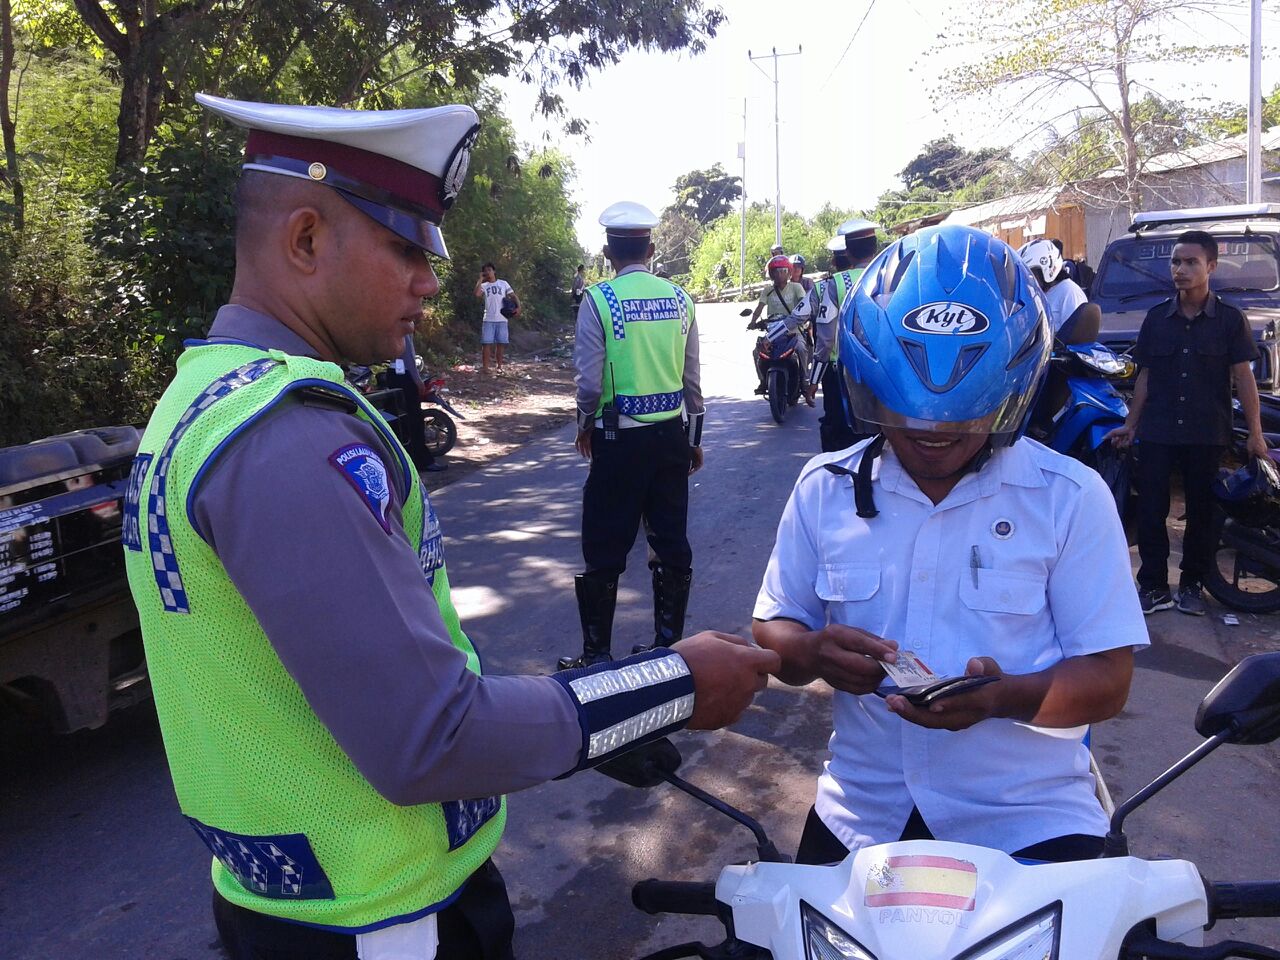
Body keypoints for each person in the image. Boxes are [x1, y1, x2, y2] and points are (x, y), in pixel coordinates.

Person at [122, 94, 779, 960]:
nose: (431, 281)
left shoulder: (201, 402)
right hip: (384, 923)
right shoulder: (288, 435)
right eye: (404, 247)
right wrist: (673, 686)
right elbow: (432, 735)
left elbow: (384, 660)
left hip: (304, 905)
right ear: (307, 239)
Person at [753, 224, 1147, 867]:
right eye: (908, 421)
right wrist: (810, 650)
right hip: (861, 814)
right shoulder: (822, 490)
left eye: (964, 421)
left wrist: (1004, 698)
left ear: (1011, 399)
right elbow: (772, 626)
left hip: (1031, 817)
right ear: (868, 394)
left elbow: (1107, 681)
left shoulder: (1070, 498)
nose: (933, 437)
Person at [559, 201, 706, 669]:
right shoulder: (680, 299)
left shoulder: (599, 301)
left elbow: (588, 383)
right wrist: (694, 437)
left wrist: (586, 424)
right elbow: (692, 380)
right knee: (670, 539)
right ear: (653, 247)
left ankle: (597, 655)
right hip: (670, 439)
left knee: (604, 543)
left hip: (618, 441)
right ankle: (668, 649)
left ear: (607, 252)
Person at [1106, 230, 1266, 616]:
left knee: (1200, 514)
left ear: (1211, 266)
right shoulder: (1157, 318)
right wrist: (1132, 423)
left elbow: (1244, 378)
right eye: (1176, 262)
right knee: (1150, 511)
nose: (1180, 269)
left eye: (1190, 262)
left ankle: (1191, 585)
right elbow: (1145, 376)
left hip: (1206, 433)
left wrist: (1257, 435)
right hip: (1159, 431)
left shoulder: (1229, 320)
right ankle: (1154, 586)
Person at [783, 218, 879, 451]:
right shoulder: (891, 275)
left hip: (841, 373)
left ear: (846, 253)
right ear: (875, 247)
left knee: (840, 432)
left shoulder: (831, 285)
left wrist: (814, 381)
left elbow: (825, 341)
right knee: (878, 432)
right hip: (882, 371)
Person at [382, 334, 447, 473]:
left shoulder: (390, 325)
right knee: (414, 419)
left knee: (402, 419)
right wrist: (417, 380)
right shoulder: (403, 330)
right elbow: (409, 358)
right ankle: (422, 461)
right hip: (404, 375)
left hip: (393, 373)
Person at [749, 254, 808, 395]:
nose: (780, 274)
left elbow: (803, 303)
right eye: (776, 271)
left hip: (793, 329)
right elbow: (759, 307)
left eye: (783, 270)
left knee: (800, 349)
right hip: (772, 330)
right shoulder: (767, 291)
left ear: (789, 272)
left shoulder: (796, 287)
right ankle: (763, 381)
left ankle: (804, 380)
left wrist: (804, 317)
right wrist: (752, 322)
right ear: (771, 274)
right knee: (757, 351)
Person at [1018, 238, 1088, 333]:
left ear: (1047, 269)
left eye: (1032, 273)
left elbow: (1077, 335)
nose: (1029, 278)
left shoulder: (1069, 292)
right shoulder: (1036, 294)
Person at [474, 262, 517, 374]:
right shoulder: (484, 286)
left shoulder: (503, 283)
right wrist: (480, 280)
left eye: (489, 270)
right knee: (486, 343)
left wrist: (519, 307)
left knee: (501, 344)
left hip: (502, 318)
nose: (488, 272)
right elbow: (477, 294)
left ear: (494, 271)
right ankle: (486, 367)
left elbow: (513, 295)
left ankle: (499, 366)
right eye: (485, 271)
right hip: (488, 318)